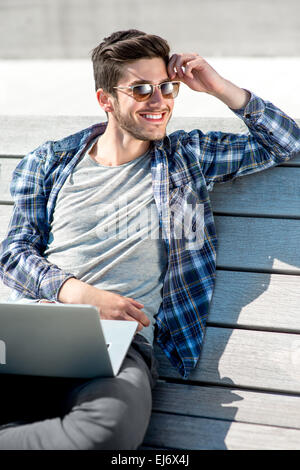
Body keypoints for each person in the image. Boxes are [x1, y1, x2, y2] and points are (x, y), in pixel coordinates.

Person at [0, 29, 299, 450]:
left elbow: (285, 140)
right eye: (141, 89)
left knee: (106, 432)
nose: (159, 101)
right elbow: (13, 253)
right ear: (106, 99)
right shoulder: (49, 162)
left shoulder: (188, 157)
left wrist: (217, 86)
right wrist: (80, 294)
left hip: (121, 344)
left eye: (167, 87)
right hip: (39, 325)